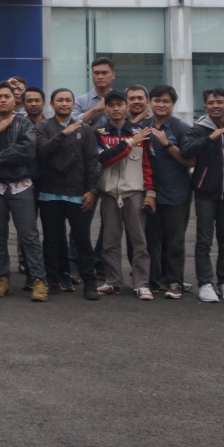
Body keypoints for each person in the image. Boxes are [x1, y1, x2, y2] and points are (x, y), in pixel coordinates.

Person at [0, 82, 47, 303]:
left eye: (7, 96)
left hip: (21, 184)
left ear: (15, 100)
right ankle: (2, 278)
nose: (3, 100)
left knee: (29, 235)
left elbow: (28, 150)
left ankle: (39, 280)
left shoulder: (25, 123)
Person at [36, 87, 102, 301]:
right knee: (51, 240)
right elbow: (41, 151)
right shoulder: (43, 127)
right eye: (60, 100)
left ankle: (89, 282)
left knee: (82, 240)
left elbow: (93, 162)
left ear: (73, 104)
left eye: (68, 100)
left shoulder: (86, 130)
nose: (64, 103)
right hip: (49, 193)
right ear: (51, 104)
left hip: (78, 193)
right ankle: (53, 280)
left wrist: (92, 190)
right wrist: (63, 134)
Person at [94, 89, 156, 300]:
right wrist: (129, 143)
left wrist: (151, 193)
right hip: (110, 194)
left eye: (119, 104)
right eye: (111, 105)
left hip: (135, 193)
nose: (115, 109)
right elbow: (104, 159)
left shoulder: (141, 132)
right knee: (110, 241)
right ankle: (113, 281)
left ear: (127, 107)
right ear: (105, 108)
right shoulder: (100, 132)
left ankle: (141, 284)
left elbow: (148, 165)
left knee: (139, 241)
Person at [181, 87, 224, 304]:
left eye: (220, 102)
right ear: (205, 106)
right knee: (204, 241)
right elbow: (186, 150)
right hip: (205, 193)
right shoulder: (197, 129)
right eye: (211, 103)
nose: (216, 106)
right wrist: (210, 138)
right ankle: (205, 283)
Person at [144, 85, 195, 299]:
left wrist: (167, 145)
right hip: (149, 192)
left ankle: (175, 282)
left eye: (166, 101)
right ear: (150, 102)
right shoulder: (142, 127)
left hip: (176, 192)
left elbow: (191, 161)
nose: (161, 104)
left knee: (174, 240)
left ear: (173, 104)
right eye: (157, 100)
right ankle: (154, 280)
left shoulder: (181, 128)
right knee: (151, 240)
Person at [72, 57, 117, 122]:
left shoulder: (121, 100)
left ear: (113, 75)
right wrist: (95, 109)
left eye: (104, 73)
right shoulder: (81, 101)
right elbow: (72, 122)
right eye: (96, 73)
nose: (100, 77)